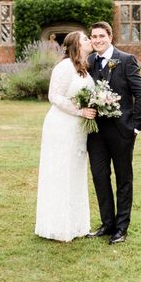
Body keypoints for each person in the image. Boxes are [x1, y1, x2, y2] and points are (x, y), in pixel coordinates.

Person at [86, 21, 141, 244]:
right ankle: (107, 223)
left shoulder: (125, 60)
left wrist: (136, 127)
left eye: (101, 36)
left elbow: (140, 94)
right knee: (100, 177)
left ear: (110, 37)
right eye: (93, 36)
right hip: (95, 133)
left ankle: (121, 228)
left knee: (123, 179)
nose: (97, 40)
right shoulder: (90, 61)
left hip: (122, 132)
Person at [35, 31, 97, 242]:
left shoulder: (85, 68)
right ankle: (58, 226)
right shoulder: (64, 66)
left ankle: (77, 224)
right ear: (76, 45)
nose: (90, 41)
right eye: (86, 39)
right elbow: (54, 96)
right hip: (61, 126)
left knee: (76, 172)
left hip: (78, 129)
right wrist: (80, 112)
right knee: (60, 171)